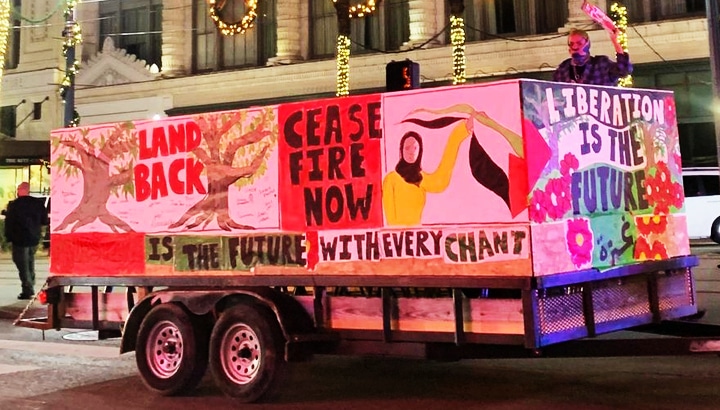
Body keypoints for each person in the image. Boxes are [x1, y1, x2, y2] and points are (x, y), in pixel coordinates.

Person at [382, 117, 473, 226]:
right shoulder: (391, 179)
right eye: (407, 148)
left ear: (420, 151)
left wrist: (461, 131)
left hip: (417, 234)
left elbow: (441, 179)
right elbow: (391, 220)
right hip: (398, 235)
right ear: (401, 151)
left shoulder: (420, 178)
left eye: (415, 148)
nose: (411, 152)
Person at [4, 182, 49, 299]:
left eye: (18, 189)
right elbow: (44, 220)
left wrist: (8, 237)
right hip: (34, 238)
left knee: (21, 263)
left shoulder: (14, 205)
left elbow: (9, 222)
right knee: (29, 261)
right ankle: (30, 283)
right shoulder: (38, 204)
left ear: (20, 190)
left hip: (19, 239)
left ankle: (27, 287)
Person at [553, 28, 632, 86]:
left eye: (579, 43)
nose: (575, 47)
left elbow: (624, 70)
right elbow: (554, 92)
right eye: (572, 44)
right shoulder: (563, 69)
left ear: (587, 44)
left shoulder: (600, 64)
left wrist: (615, 42)